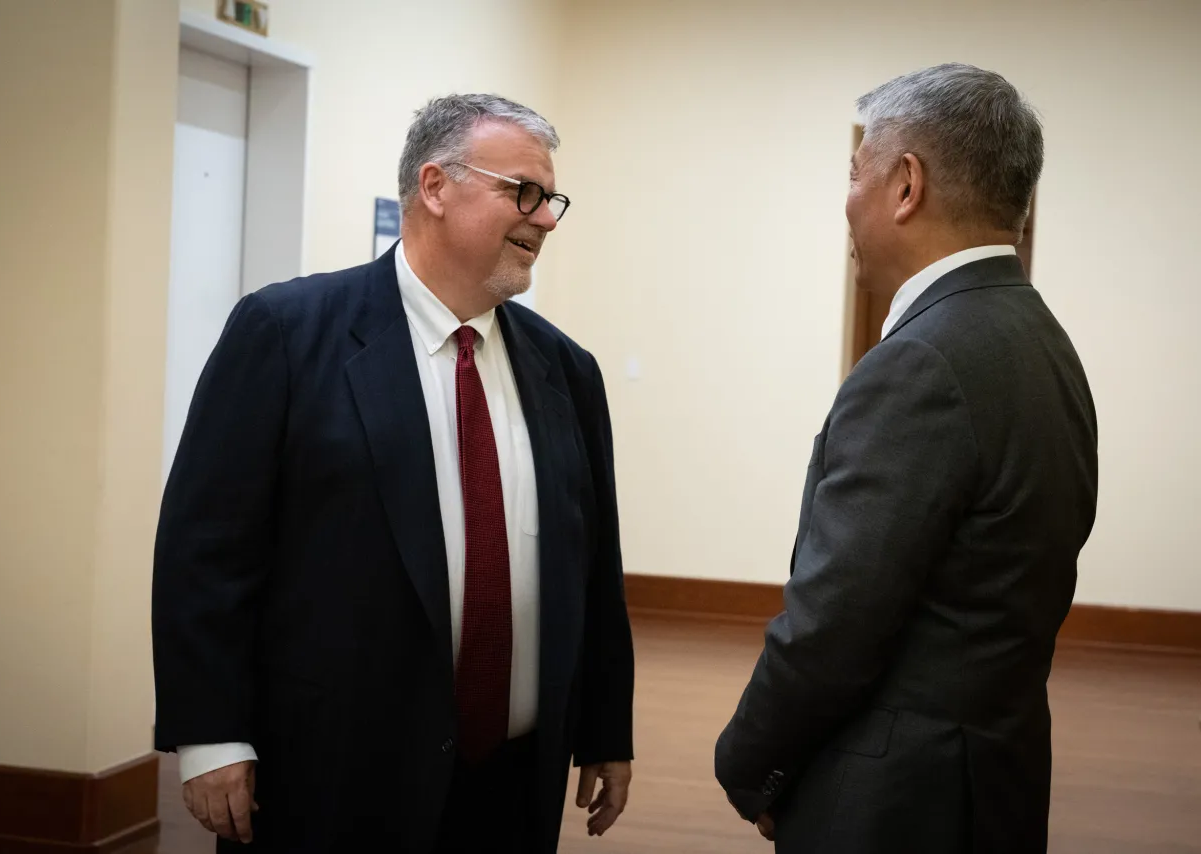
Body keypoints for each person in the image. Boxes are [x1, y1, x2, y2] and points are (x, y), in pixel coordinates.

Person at [152, 94, 635, 853]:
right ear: (436, 187)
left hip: (511, 779)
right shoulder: (286, 333)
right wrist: (211, 734)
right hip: (331, 771)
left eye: (552, 200)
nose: (546, 219)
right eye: (525, 193)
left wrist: (607, 727)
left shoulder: (566, 370)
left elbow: (593, 564)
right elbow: (205, 550)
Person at [715, 63, 1097, 853]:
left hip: (895, 798)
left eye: (855, 175)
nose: (847, 203)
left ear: (906, 184)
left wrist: (749, 761)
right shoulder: (1043, 341)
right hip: (996, 777)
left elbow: (835, 623)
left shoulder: (922, 360)